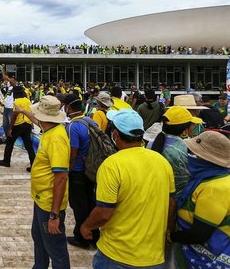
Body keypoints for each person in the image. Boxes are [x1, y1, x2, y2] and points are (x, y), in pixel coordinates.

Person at [80, 109, 176, 268]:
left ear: (115, 135)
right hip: (154, 256)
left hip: (117, 255)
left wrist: (86, 226)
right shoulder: (161, 161)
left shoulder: (112, 165)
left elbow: (104, 213)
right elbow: (171, 202)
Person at [22, 95, 70, 269]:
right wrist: (22, 111)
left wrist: (54, 215)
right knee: (39, 237)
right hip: (41, 199)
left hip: (50, 204)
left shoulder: (56, 138)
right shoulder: (49, 130)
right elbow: (35, 119)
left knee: (55, 248)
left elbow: (61, 177)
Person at [171, 131, 230, 267]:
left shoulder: (215, 189)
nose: (191, 157)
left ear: (206, 159)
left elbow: (199, 234)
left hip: (209, 258)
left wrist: (171, 236)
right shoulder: (208, 178)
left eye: (194, 154)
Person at [62, 94, 99, 249]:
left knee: (79, 206)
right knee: (91, 202)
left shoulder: (73, 126)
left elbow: (73, 151)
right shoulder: (91, 121)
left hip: (78, 171)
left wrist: (67, 170)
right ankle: (94, 234)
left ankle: (82, 237)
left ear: (69, 107)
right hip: (91, 170)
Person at [149, 106, 202, 196]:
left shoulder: (152, 142)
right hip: (176, 199)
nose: (194, 127)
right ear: (185, 129)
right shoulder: (184, 149)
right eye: (192, 124)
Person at [0, 85, 35, 171]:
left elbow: (14, 115)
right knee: (29, 146)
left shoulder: (16, 101)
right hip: (27, 124)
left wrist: (10, 128)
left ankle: (6, 161)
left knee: (10, 143)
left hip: (18, 125)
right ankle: (33, 165)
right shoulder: (27, 100)